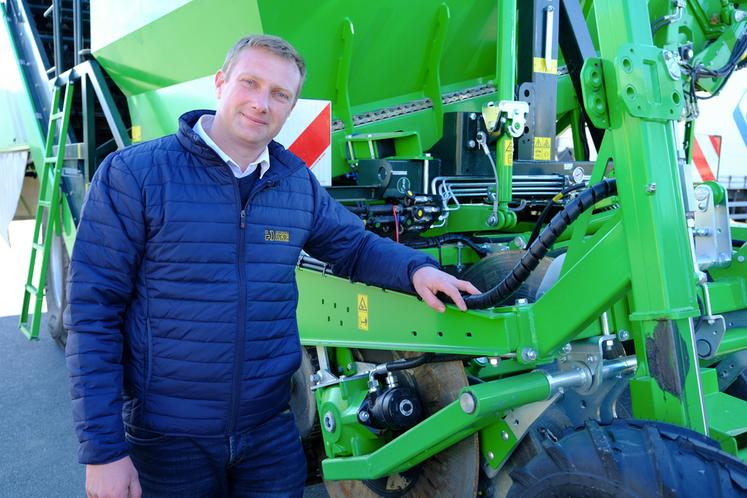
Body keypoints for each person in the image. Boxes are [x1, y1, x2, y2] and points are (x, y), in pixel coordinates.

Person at [65, 34, 479, 498]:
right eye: (250, 83)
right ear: (221, 84)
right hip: (169, 439)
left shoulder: (293, 183)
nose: (261, 103)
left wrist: (417, 271)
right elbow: (92, 315)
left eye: (280, 94)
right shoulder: (135, 175)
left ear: (291, 106)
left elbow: (354, 247)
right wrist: (103, 452)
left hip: (269, 435)